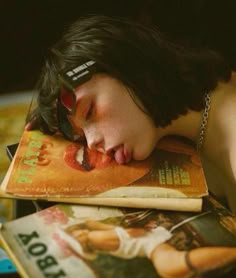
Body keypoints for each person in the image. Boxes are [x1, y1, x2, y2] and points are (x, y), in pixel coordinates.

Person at [25, 15, 236, 212]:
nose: (91, 144)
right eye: (81, 136)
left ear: (126, 67)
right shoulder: (196, 114)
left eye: (89, 111)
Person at [58, 218, 236, 278]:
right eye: (77, 238)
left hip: (151, 243)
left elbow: (130, 234)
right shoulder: (95, 239)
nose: (79, 235)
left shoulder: (94, 237)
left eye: (76, 233)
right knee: (170, 270)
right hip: (148, 247)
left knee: (172, 267)